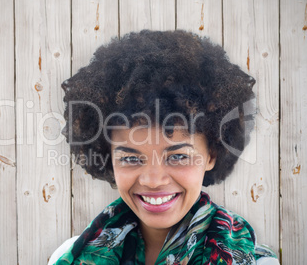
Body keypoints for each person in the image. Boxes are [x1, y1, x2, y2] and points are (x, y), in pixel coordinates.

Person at [49, 30, 279, 265]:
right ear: (108, 158)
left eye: (178, 156)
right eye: (130, 159)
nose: (153, 180)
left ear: (212, 154)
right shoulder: (70, 256)